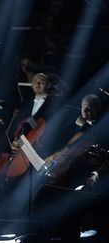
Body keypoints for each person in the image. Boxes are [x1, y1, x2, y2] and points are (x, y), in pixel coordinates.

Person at [43, 94, 109, 242]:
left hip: (92, 177)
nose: (86, 112)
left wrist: (96, 172)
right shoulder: (82, 126)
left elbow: (103, 156)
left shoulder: (103, 127)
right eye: (84, 108)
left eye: (90, 108)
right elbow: (67, 148)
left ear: (97, 109)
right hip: (77, 174)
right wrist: (52, 158)